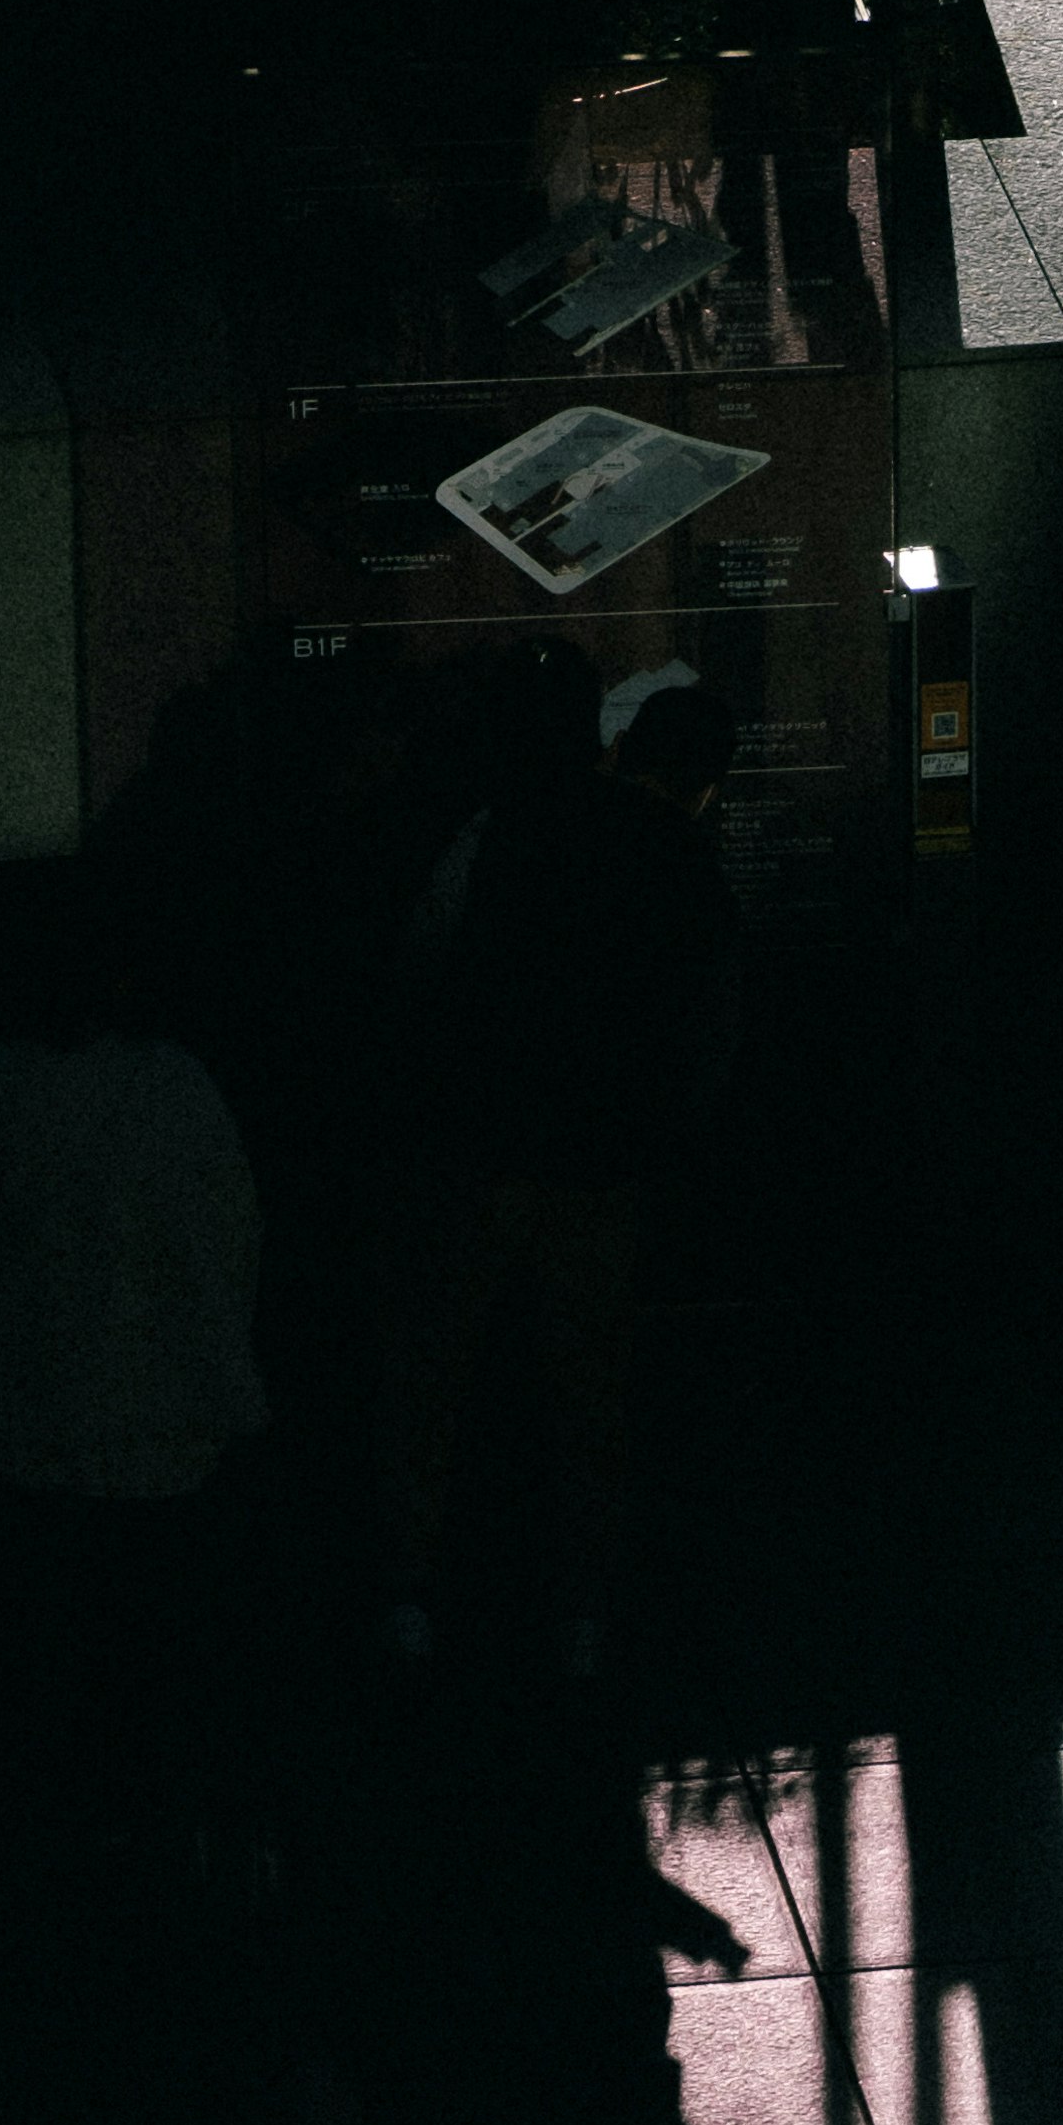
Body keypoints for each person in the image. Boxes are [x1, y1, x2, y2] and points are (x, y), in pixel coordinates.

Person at [0, 868, 267, 1784]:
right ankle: (118, 1782)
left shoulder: (4, 1086)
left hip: (23, 1406)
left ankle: (14, 1781)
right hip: (163, 1415)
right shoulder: (180, 1089)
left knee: (14, 1609)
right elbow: (229, 1245)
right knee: (133, 1624)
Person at [373, 659, 740, 1678]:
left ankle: (407, 1597)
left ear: (623, 748)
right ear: (711, 782)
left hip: (472, 1153)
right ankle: (579, 1613)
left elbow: (422, 965)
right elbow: (702, 1055)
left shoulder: (510, 826)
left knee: (429, 1385)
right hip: (599, 1175)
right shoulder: (694, 874)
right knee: (586, 1396)